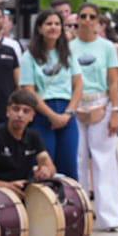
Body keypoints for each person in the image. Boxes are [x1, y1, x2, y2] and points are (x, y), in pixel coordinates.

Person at [69, 6, 118, 231]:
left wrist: (115, 111)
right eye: (83, 16)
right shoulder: (68, 46)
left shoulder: (108, 47)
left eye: (92, 17)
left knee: (105, 162)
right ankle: (79, 216)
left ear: (98, 22)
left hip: (101, 105)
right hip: (75, 107)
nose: (87, 20)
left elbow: (113, 81)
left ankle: (110, 218)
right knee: (77, 160)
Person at [20, 11, 82, 181]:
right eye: (48, 24)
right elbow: (28, 91)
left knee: (69, 165)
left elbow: (78, 85)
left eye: (57, 24)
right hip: (41, 114)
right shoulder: (28, 56)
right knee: (45, 169)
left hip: (67, 113)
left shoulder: (68, 54)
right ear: (39, 28)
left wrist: (68, 113)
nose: (53, 27)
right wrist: (52, 116)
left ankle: (71, 206)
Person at [0, 90, 57, 189]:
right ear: (8, 111)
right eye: (16, 109)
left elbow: (51, 167)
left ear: (32, 116)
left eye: (26, 111)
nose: (20, 115)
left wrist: (46, 171)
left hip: (25, 191)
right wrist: (8, 186)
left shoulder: (34, 136)